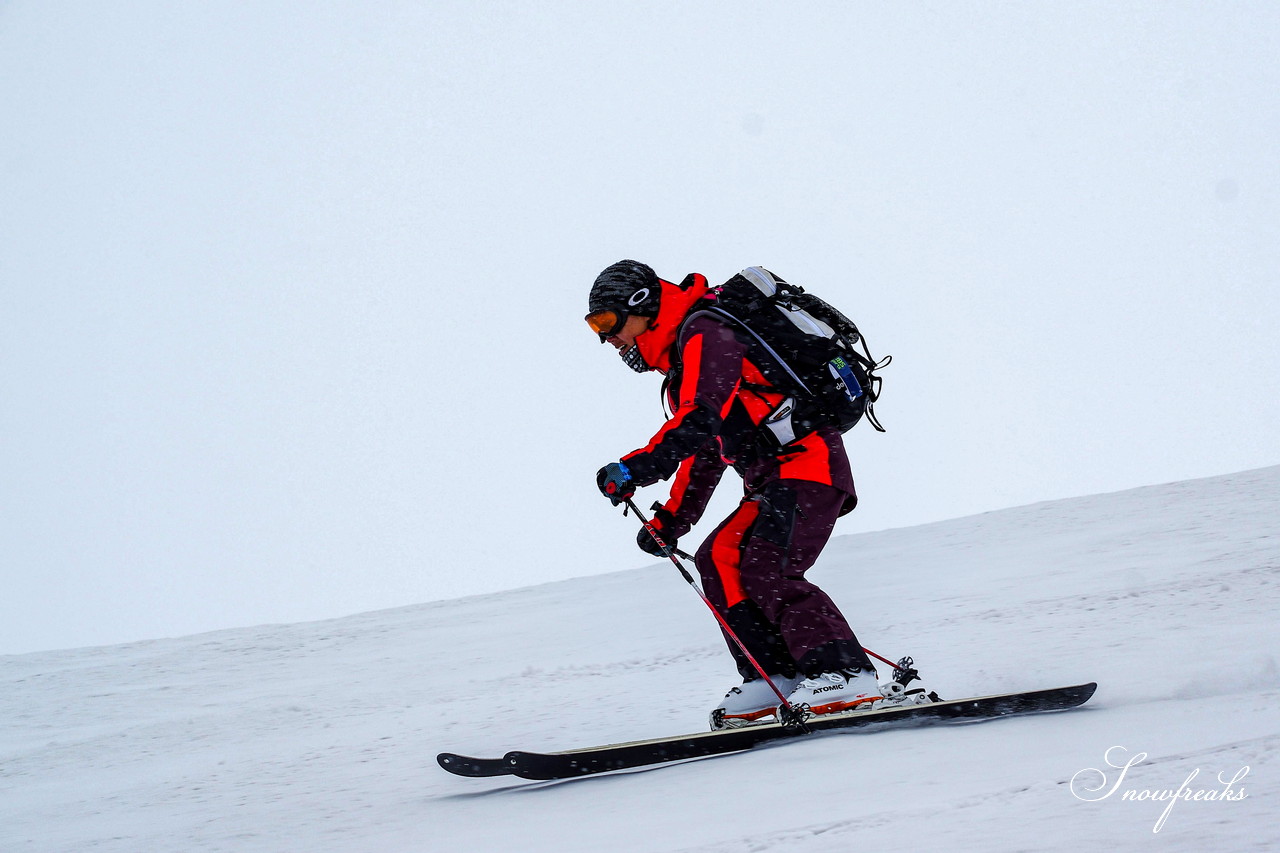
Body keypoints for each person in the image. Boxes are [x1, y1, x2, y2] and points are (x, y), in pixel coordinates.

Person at [586, 259, 884, 729]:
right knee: (720, 558)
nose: (605, 338)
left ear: (641, 305)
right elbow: (705, 453)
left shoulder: (706, 333)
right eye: (594, 327)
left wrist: (636, 468)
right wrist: (672, 520)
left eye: (605, 322)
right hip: (774, 478)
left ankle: (844, 671)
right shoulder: (685, 360)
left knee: (766, 564)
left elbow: (699, 420)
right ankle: (773, 676)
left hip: (809, 466)